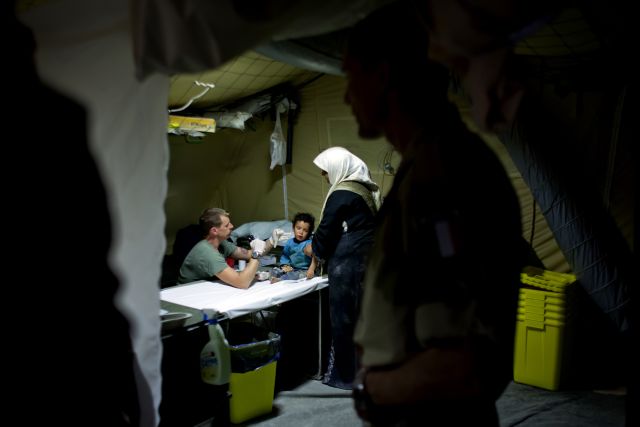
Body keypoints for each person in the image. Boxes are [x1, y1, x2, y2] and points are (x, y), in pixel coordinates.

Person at [343, 2, 528, 425]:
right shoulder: (425, 166)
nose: (347, 95)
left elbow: (466, 367)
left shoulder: (442, 176)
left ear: (383, 75)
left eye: (351, 75)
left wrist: (370, 390)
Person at [306, 146, 381, 390]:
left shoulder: (342, 193)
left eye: (325, 169)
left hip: (348, 264)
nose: (323, 175)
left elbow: (327, 230)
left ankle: (346, 375)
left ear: (339, 167)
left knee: (344, 317)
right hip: (366, 259)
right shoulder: (364, 189)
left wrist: (314, 249)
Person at [177, 208, 260, 289]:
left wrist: (266, 243)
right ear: (214, 231)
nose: (232, 226)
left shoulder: (221, 243)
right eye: (227, 225)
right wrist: (256, 253)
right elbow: (242, 283)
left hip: (205, 289)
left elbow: (247, 254)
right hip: (186, 293)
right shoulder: (207, 253)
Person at [275, 212, 318, 280]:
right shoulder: (289, 242)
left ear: (309, 232)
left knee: (297, 275)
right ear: (293, 228)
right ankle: (264, 275)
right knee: (277, 270)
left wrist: (311, 269)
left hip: (305, 270)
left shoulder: (309, 243)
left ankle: (280, 279)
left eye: (305, 230)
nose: (301, 232)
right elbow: (285, 256)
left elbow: (315, 257)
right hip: (292, 268)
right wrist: (285, 265)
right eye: (298, 228)